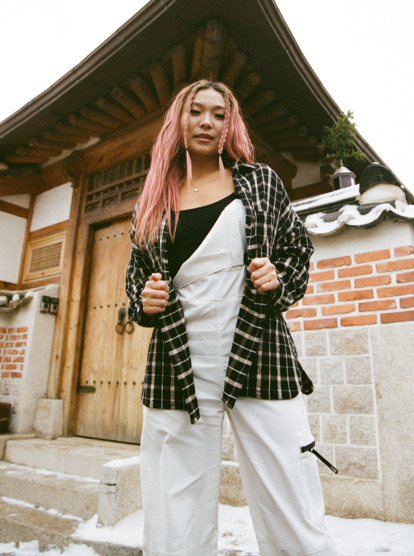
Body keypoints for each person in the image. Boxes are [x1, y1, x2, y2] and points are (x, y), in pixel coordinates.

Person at [126, 80, 338, 556]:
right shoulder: (152, 201)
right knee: (174, 496)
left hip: (258, 346)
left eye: (219, 114)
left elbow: (296, 249)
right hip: (178, 360)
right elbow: (136, 279)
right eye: (196, 111)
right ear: (177, 121)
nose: (207, 122)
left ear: (230, 124)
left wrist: (277, 277)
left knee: (287, 481)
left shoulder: (259, 181)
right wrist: (146, 300)